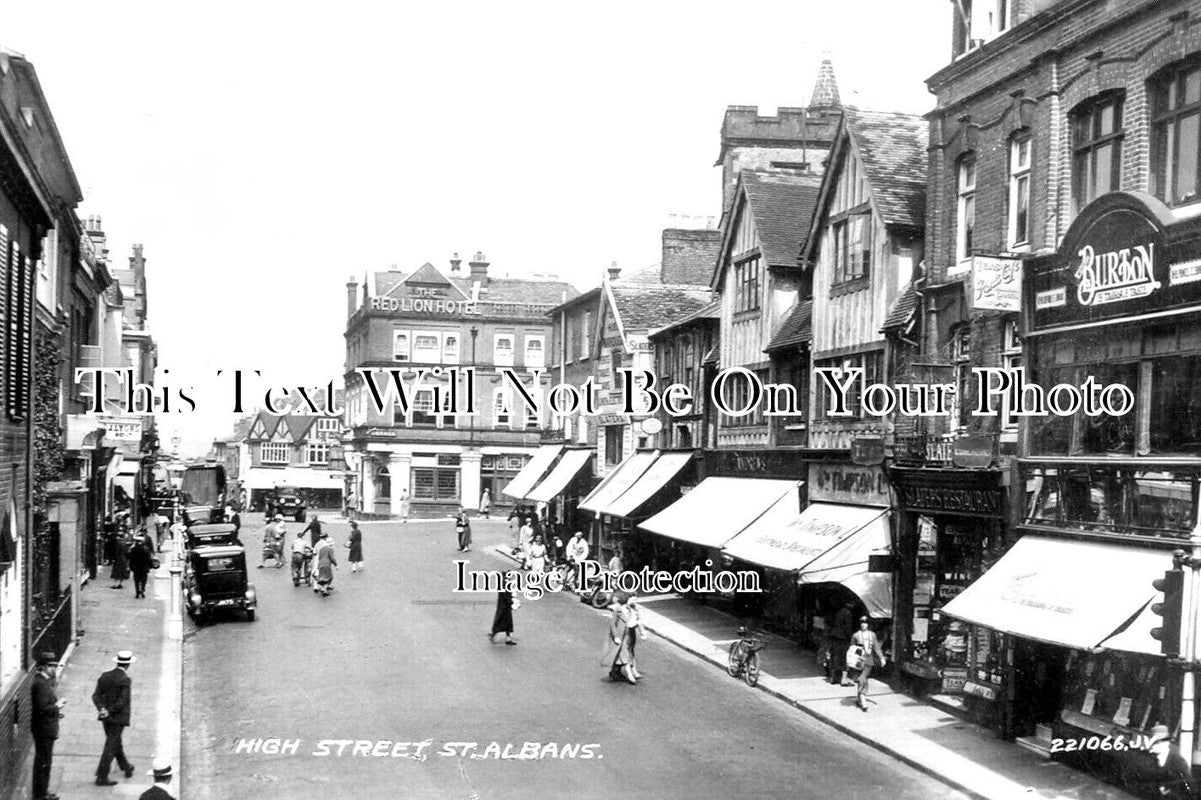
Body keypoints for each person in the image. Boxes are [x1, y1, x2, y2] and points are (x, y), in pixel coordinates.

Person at [92, 649, 135, 786]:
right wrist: (110, 711)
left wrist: (102, 709)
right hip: (118, 718)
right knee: (111, 745)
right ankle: (102, 776)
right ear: (128, 665)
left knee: (115, 742)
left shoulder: (105, 676)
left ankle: (126, 766)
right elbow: (122, 702)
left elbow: (96, 696)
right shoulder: (125, 679)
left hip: (106, 718)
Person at [1127, 724, 1198, 799]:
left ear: (1166, 743)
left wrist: (1168, 792)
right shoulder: (1150, 759)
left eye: (1156, 742)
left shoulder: (1178, 762)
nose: (1152, 745)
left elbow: (1189, 789)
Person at [31, 651, 64, 800]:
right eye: (51, 666)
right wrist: (57, 706)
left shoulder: (43, 682)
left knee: (43, 761)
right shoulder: (40, 684)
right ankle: (40, 794)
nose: (54, 669)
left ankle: (42, 791)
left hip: (44, 728)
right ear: (43, 667)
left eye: (55, 665)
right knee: (44, 762)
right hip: (43, 729)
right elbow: (42, 708)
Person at [850, 616, 886, 711]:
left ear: (868, 624)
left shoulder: (872, 635)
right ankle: (860, 698)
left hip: (868, 660)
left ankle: (862, 697)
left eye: (865, 622)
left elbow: (876, 647)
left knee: (863, 678)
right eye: (862, 622)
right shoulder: (856, 635)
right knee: (861, 678)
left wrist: (881, 658)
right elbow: (852, 649)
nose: (863, 624)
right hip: (858, 661)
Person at [603, 593, 639, 684]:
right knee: (624, 654)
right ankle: (630, 675)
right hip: (620, 636)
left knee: (619, 655)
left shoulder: (630, 610)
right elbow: (612, 624)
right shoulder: (617, 611)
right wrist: (616, 637)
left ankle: (615, 672)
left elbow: (634, 621)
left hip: (627, 636)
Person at [828, 604, 854, 687]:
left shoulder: (835, 611)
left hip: (834, 636)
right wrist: (850, 639)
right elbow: (848, 628)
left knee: (834, 656)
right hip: (843, 638)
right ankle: (843, 679)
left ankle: (833, 677)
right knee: (844, 658)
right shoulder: (847, 613)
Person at [489, 577, 517, 645]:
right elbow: (506, 597)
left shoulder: (503, 584)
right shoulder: (505, 585)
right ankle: (494, 635)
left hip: (503, 607)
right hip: (505, 607)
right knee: (503, 622)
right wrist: (512, 603)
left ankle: (507, 638)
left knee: (506, 623)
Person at [313, 532, 338, 596]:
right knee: (330, 577)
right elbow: (332, 558)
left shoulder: (319, 546)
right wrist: (336, 565)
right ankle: (324, 588)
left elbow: (316, 553)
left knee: (322, 577)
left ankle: (322, 587)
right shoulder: (330, 549)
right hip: (327, 564)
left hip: (319, 562)